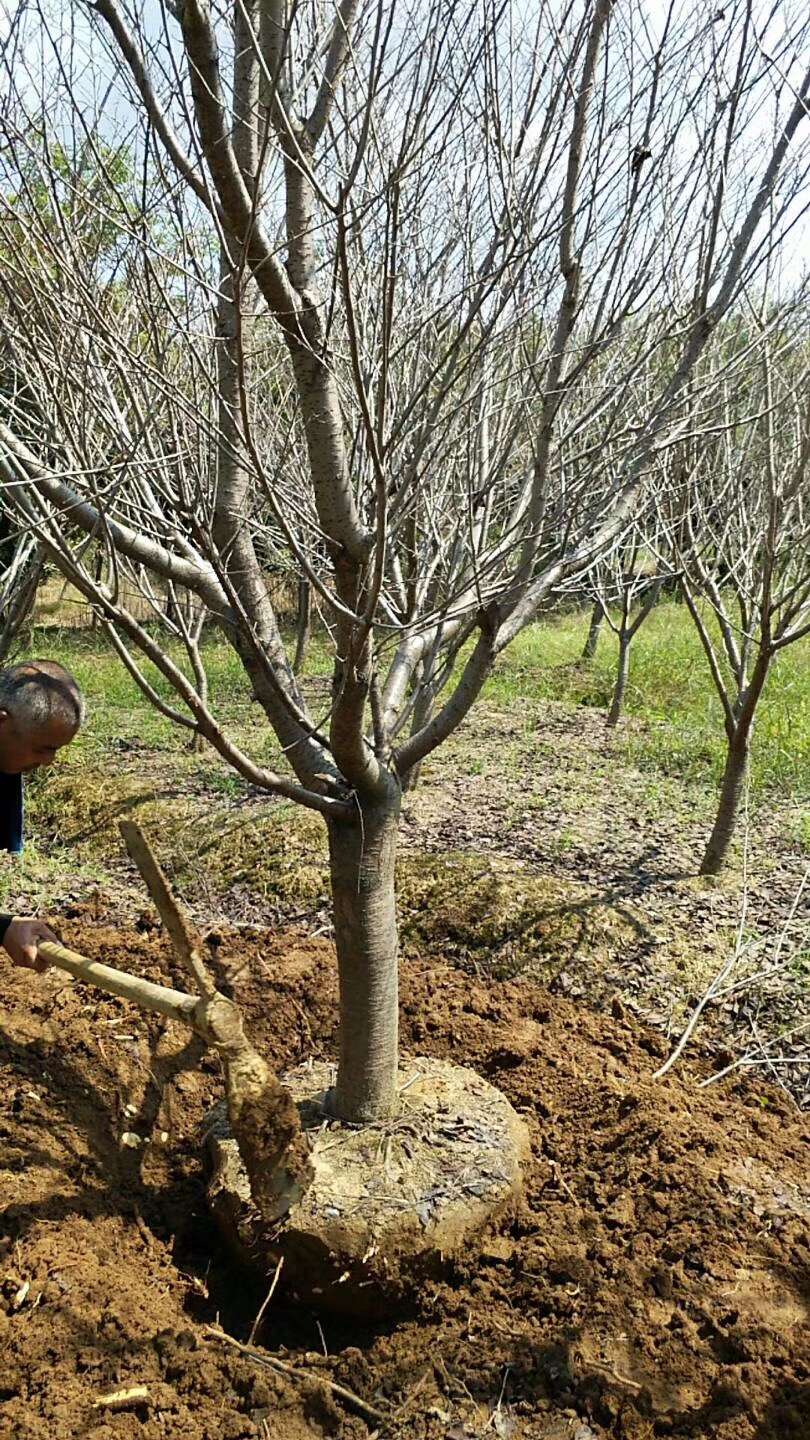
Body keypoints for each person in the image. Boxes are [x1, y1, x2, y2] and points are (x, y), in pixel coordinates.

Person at [0, 660, 84, 972]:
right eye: (42, 749)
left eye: (57, 751)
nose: (49, 762)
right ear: (2, 723)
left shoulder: (6, 762)